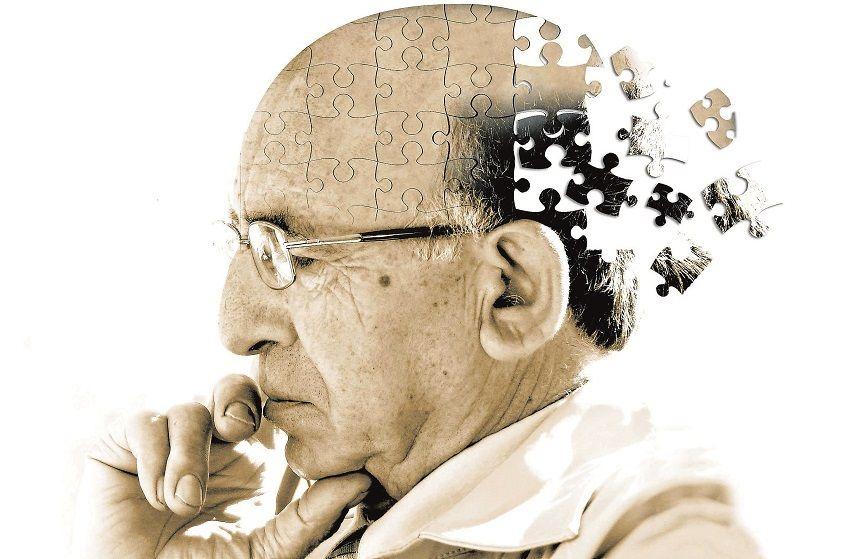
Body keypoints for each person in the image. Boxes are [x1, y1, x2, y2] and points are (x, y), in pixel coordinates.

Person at [72, 5, 762, 558]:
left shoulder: (675, 534)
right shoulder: (324, 520)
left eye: (292, 252)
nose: (236, 325)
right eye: (243, 243)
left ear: (511, 292)